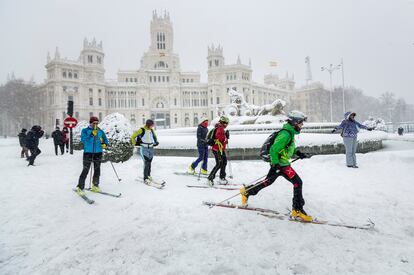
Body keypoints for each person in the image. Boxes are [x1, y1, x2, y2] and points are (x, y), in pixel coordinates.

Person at [239, 111, 313, 222]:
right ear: (294, 122)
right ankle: (297, 210)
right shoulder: (285, 134)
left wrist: (298, 153)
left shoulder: (289, 132)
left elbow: (286, 148)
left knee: (268, 181)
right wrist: (276, 164)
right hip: (281, 165)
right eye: (301, 123)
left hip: (281, 163)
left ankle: (247, 191)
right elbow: (274, 149)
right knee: (298, 183)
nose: (302, 125)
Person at [76, 116, 109, 195]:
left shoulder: (100, 131)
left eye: (97, 123)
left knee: (97, 170)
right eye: (94, 123)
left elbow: (105, 139)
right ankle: (80, 187)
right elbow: (83, 140)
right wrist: (91, 134)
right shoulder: (85, 130)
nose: (96, 125)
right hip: (88, 152)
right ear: (90, 123)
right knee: (85, 170)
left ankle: (95, 185)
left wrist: (105, 144)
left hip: (98, 152)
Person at [131, 119, 159, 183]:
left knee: (149, 163)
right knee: (146, 163)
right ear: (148, 124)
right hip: (144, 148)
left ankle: (148, 175)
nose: (153, 126)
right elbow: (133, 136)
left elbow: (154, 137)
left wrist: (156, 142)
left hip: (151, 148)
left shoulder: (151, 130)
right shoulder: (142, 130)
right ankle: (145, 177)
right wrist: (134, 143)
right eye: (152, 125)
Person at [207, 116, 230, 186]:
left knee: (224, 162)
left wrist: (226, 136)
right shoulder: (220, 129)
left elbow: (221, 139)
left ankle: (222, 177)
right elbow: (220, 140)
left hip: (220, 149)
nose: (227, 125)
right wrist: (226, 137)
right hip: (217, 149)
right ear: (224, 123)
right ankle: (210, 178)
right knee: (219, 164)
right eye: (226, 123)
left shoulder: (220, 128)